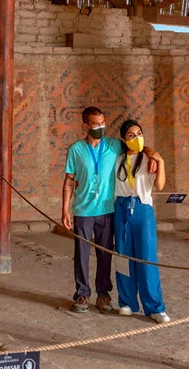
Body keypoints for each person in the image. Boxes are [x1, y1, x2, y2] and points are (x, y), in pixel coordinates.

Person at [62, 107, 157, 314]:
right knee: (82, 255)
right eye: (96, 124)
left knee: (105, 254)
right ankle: (82, 293)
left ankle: (103, 294)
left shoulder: (114, 145)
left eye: (103, 122)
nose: (100, 127)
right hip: (83, 210)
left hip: (107, 210)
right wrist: (65, 209)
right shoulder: (75, 150)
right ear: (85, 126)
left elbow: (136, 145)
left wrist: (153, 154)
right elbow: (69, 181)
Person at [114, 119, 170, 323]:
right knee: (123, 256)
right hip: (121, 209)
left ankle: (155, 306)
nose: (136, 138)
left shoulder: (149, 160)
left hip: (143, 209)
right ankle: (127, 302)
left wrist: (159, 159)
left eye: (139, 133)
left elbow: (161, 185)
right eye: (131, 135)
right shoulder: (117, 158)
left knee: (147, 258)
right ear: (123, 139)